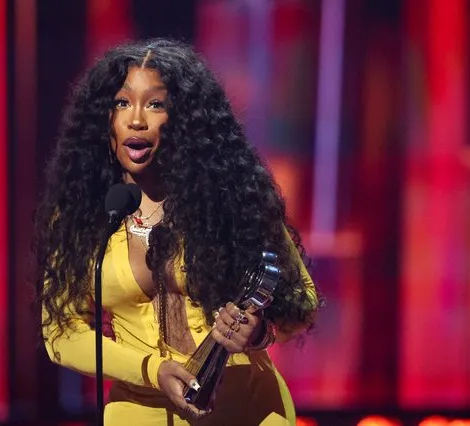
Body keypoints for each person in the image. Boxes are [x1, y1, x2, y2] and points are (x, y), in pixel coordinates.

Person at [34, 38, 320, 425]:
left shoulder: (231, 199)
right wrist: (151, 369)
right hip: (139, 412)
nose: (136, 119)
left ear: (185, 118)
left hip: (247, 409)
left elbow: (300, 299)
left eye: (155, 104)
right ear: (105, 119)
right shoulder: (83, 215)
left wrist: (258, 335)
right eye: (122, 103)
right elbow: (62, 334)